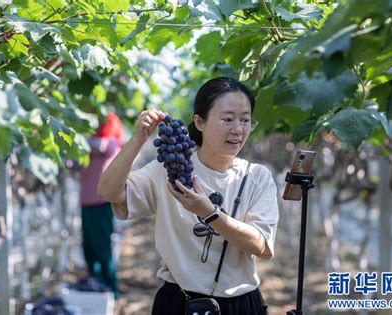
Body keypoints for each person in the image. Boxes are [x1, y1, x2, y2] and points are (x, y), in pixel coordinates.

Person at [98, 77, 279, 314]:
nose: (238, 129)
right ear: (199, 122)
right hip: (179, 302)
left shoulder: (256, 176)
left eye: (245, 120)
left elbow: (262, 247)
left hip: (240, 303)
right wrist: (138, 139)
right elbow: (108, 191)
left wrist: (209, 213)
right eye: (227, 119)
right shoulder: (170, 169)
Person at [79, 112, 123, 299]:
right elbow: (72, 164)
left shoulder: (110, 143)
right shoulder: (86, 147)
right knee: (88, 247)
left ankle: (111, 289)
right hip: (86, 204)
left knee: (102, 247)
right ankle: (95, 285)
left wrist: (77, 138)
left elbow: (99, 145)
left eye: (99, 124)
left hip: (101, 203)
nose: (95, 127)